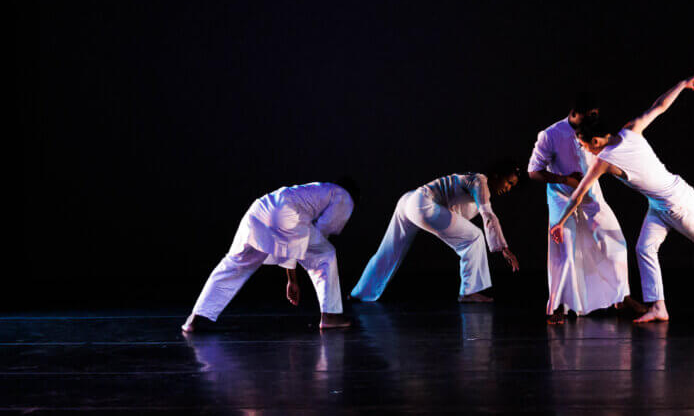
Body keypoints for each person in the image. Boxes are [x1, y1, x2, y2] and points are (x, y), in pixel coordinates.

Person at [551, 69, 694, 323]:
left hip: (678, 203)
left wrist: (560, 222)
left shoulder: (604, 161)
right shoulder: (630, 130)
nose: (584, 148)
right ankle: (659, 307)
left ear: (596, 141)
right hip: (659, 205)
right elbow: (658, 106)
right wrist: (682, 84)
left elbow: (577, 195)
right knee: (644, 248)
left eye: (584, 145)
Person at [182, 180, 357, 333]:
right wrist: (292, 280)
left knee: (234, 263)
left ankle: (196, 317)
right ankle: (330, 316)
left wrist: (292, 274)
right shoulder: (343, 195)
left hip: (259, 209)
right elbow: (324, 228)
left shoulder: (318, 189)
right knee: (324, 254)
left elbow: (294, 238)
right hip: (284, 213)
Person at [528, 94, 638, 323]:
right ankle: (557, 306)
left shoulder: (592, 129)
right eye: (590, 116)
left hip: (589, 194)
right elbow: (534, 171)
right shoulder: (551, 134)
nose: (594, 119)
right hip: (561, 195)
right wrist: (564, 179)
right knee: (565, 249)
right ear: (575, 113)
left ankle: (622, 296)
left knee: (615, 242)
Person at [351, 163, 520, 303]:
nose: (509, 188)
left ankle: (360, 293)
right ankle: (469, 291)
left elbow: (455, 211)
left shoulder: (475, 182)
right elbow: (487, 214)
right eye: (509, 182)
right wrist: (503, 247)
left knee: (390, 250)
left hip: (409, 200)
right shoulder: (480, 181)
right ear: (497, 175)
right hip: (422, 203)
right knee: (474, 237)